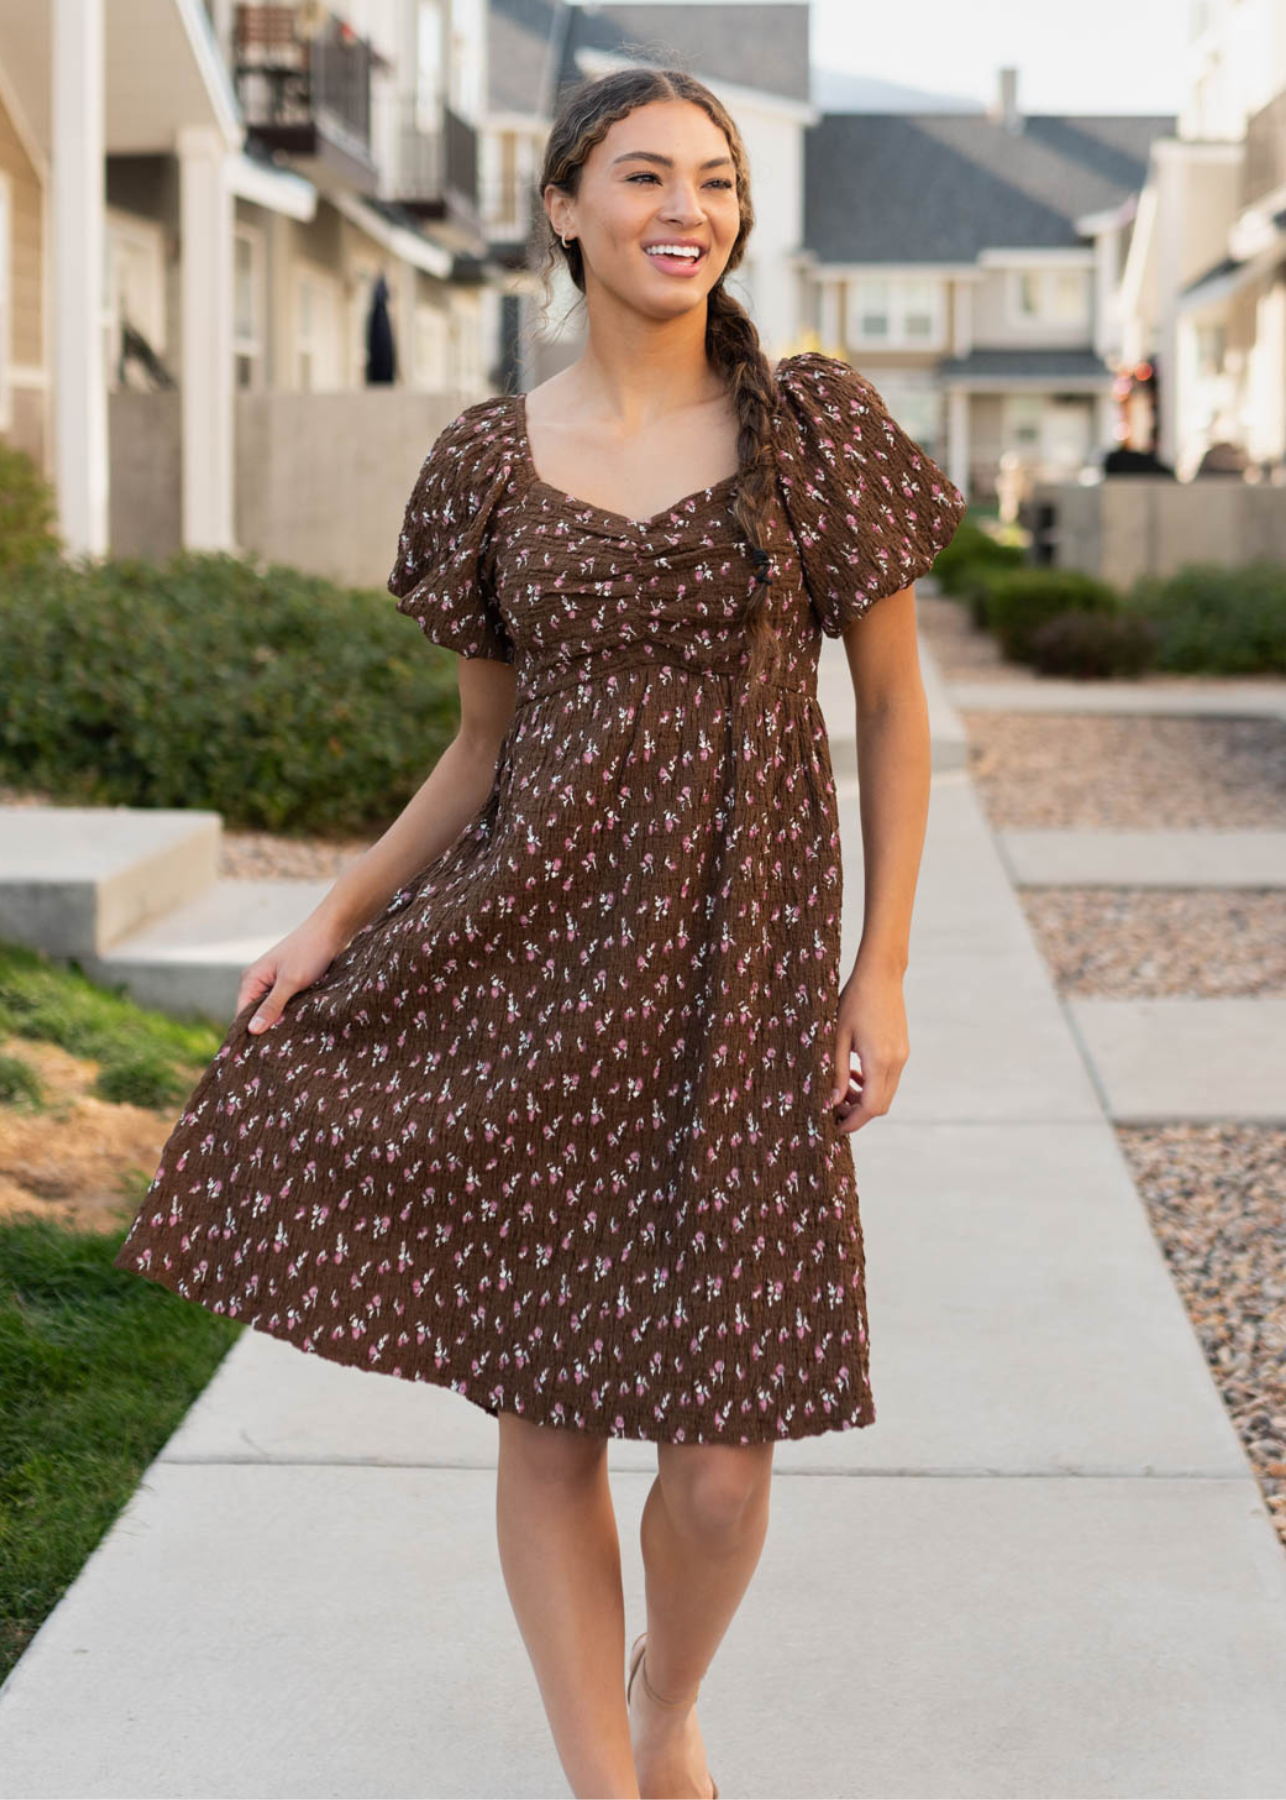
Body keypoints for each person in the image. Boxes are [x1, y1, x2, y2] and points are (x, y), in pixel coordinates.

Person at [113, 66, 966, 1800]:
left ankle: (666, 1698)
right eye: (645, 174)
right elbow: (482, 747)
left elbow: (889, 709)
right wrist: (334, 917)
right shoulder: (487, 462)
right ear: (563, 205)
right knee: (552, 1398)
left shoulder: (810, 429)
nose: (688, 208)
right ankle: (604, 1773)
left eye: (716, 181)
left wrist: (876, 964)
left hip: (738, 987)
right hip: (527, 972)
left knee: (724, 1461)